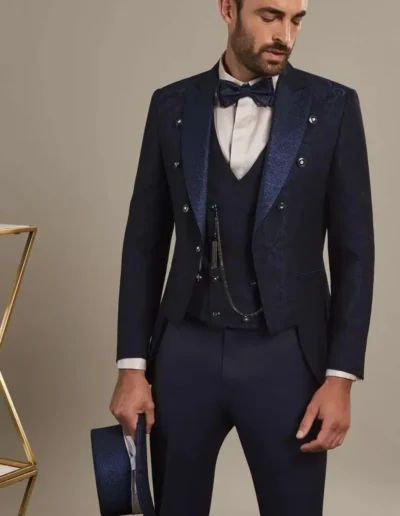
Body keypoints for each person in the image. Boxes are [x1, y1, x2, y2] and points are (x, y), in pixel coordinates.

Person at [109, 0, 375, 514]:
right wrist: (131, 367)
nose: (285, 36)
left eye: (296, 20)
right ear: (227, 9)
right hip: (183, 353)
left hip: (287, 356)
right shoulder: (171, 104)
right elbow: (143, 244)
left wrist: (340, 378)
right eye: (270, 16)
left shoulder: (334, 106)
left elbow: (355, 253)